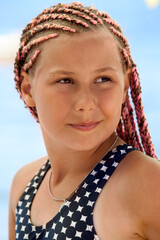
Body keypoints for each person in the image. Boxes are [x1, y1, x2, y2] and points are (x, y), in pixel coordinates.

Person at [9, 2, 160, 239]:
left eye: (103, 79)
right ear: (27, 89)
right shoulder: (24, 186)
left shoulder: (145, 183)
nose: (86, 102)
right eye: (65, 81)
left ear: (124, 87)